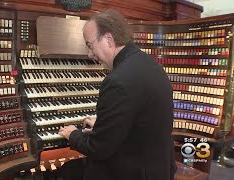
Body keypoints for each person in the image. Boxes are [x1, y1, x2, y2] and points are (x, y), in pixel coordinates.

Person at [58, 9, 177, 180]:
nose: (89, 54)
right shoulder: (151, 65)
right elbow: (144, 120)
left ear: (108, 39)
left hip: (132, 172)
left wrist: (73, 134)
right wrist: (104, 125)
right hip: (159, 168)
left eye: (90, 46)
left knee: (68, 172)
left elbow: (98, 149)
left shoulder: (117, 81)